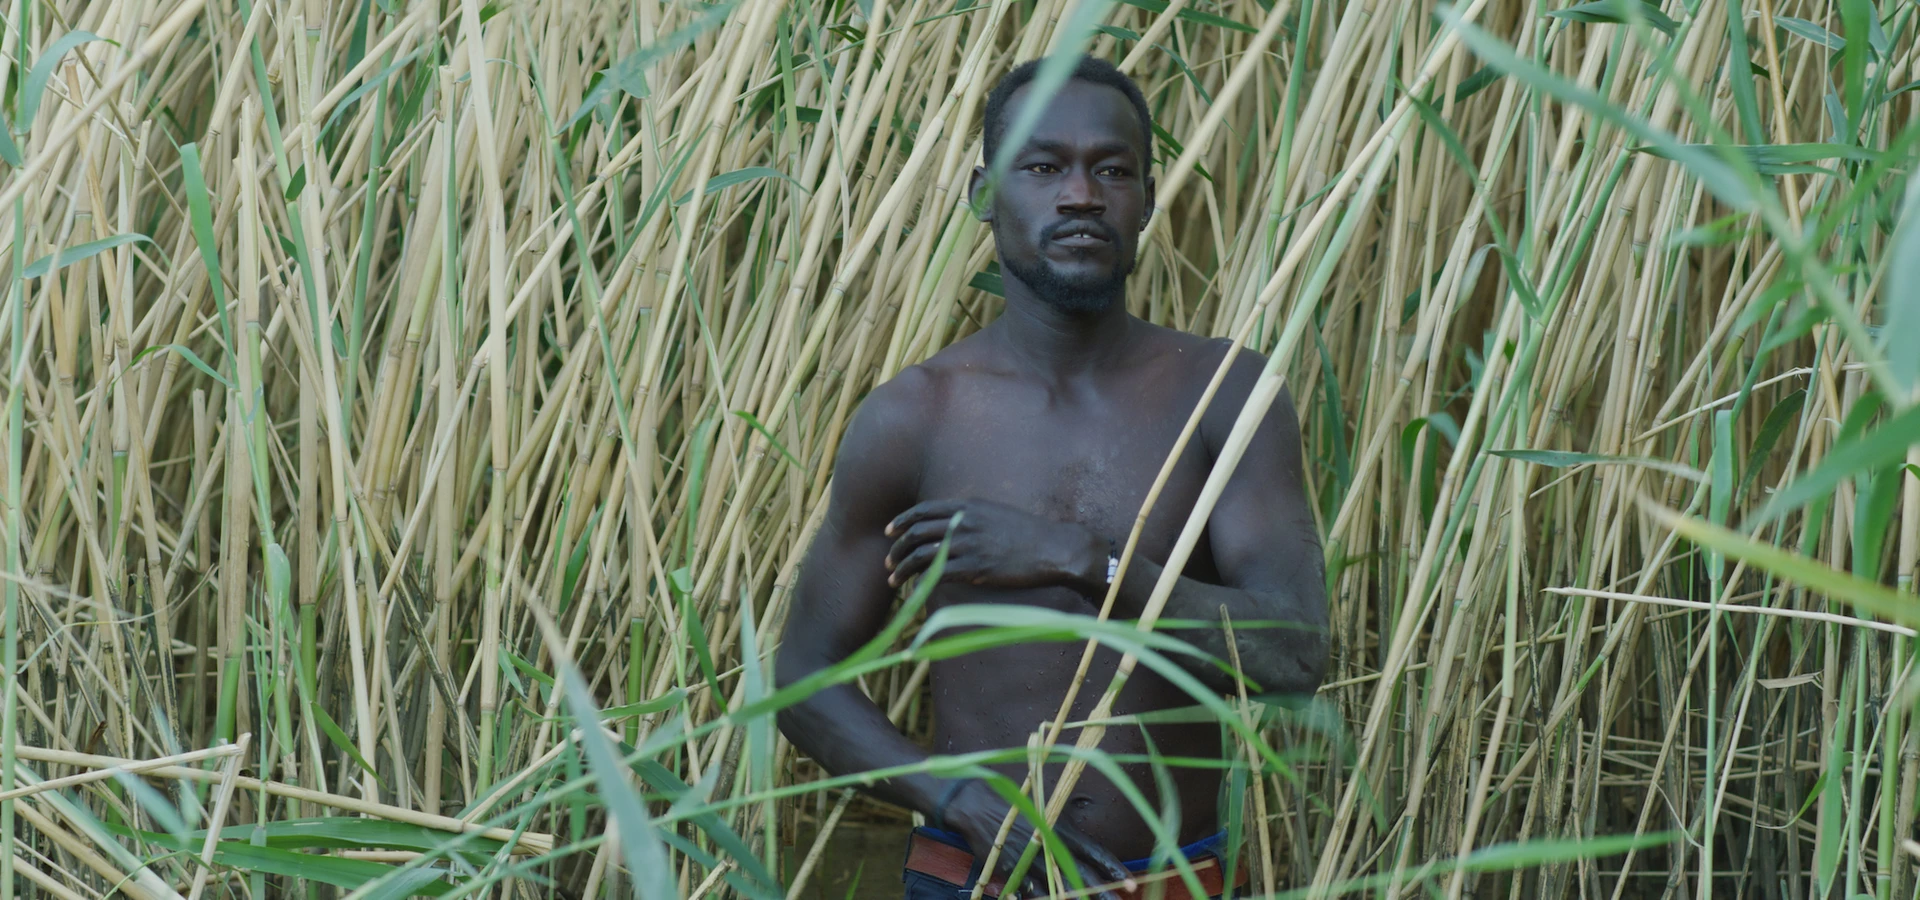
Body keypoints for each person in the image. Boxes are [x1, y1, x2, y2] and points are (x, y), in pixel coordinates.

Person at [774, 55, 1328, 900]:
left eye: (1113, 170)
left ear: (1147, 198)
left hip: (1177, 883)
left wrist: (1085, 562)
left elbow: (1294, 654)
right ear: (983, 194)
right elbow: (805, 682)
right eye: (1042, 167)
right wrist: (953, 796)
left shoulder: (1223, 394)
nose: (1081, 196)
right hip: (974, 881)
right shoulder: (916, 417)